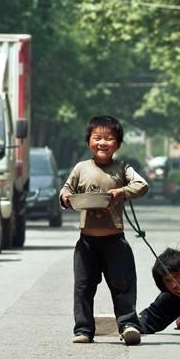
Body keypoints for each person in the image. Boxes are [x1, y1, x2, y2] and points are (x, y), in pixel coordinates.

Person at [60, 115, 149, 345]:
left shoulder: (123, 168)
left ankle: (128, 325)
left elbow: (142, 185)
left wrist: (120, 192)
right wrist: (67, 198)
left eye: (109, 138)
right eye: (97, 138)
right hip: (86, 242)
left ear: (118, 144)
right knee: (83, 287)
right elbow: (66, 191)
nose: (102, 143)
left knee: (123, 285)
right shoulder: (81, 168)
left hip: (115, 241)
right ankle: (83, 330)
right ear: (88, 141)